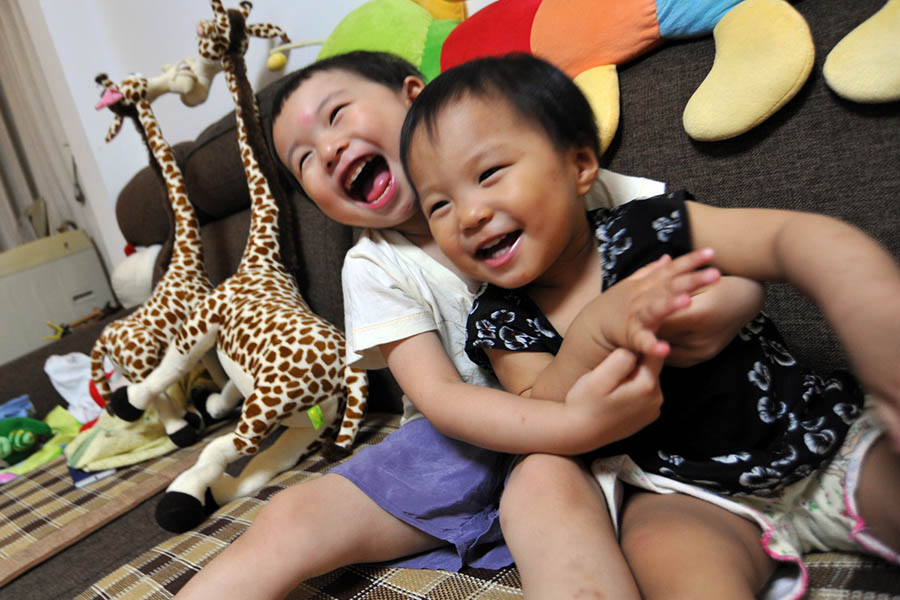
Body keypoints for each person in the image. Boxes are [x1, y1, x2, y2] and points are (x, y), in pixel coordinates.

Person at [174, 51, 762, 600]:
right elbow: (441, 397)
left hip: (622, 417)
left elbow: (709, 258)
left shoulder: (543, 167)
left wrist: (714, 311)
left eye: (337, 115)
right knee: (292, 517)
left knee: (553, 500)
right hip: (464, 444)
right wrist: (571, 425)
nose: (326, 151)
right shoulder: (374, 264)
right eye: (303, 160)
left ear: (414, 96)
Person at [399, 52, 900, 600]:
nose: (468, 215)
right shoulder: (500, 317)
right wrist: (592, 334)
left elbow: (788, 242)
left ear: (579, 164)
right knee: (675, 565)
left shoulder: (652, 227)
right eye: (438, 205)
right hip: (682, 494)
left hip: (820, 436)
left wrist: (865, 314)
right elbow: (538, 406)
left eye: (489, 174)